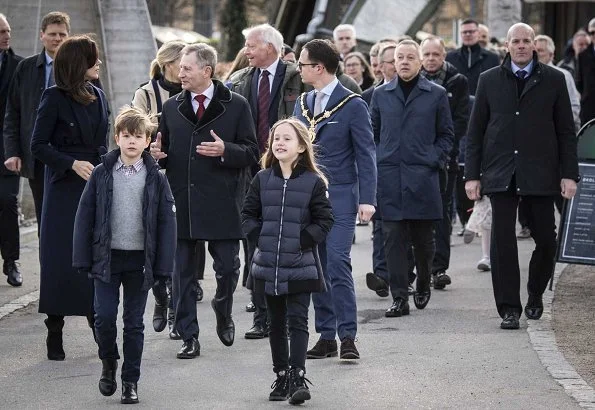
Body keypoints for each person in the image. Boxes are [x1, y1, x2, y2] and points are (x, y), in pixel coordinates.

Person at [465, 23, 579, 330]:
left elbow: (566, 131)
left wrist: (569, 175)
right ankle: (509, 309)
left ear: (535, 46)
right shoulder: (489, 80)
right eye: (515, 41)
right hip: (501, 171)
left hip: (541, 171)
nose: (521, 46)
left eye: (526, 41)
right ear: (506, 45)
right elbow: (475, 131)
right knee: (503, 242)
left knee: (546, 239)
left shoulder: (554, 80)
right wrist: (471, 175)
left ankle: (535, 294)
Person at [150, 43, 258, 358]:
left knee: (228, 268)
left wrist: (227, 151)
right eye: (180, 67)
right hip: (181, 201)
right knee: (181, 273)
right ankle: (189, 335)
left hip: (223, 201)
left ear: (206, 71)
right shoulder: (171, 107)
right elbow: (163, 150)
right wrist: (159, 156)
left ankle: (223, 309)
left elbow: (252, 152)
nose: (179, 72)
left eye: (186, 68)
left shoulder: (236, 105)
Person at [73, 107, 177, 404]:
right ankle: (109, 362)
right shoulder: (101, 173)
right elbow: (85, 214)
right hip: (106, 258)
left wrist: (163, 268)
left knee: (133, 323)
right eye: (126, 135)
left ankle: (130, 381)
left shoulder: (156, 177)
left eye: (138, 136)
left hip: (139, 262)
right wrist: (82, 257)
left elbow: (167, 223)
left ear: (148, 142)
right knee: (104, 318)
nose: (132, 141)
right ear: (117, 138)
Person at [293, 39, 376, 360]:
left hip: (341, 196)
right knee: (315, 267)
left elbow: (366, 154)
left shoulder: (353, 104)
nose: (298, 69)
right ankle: (326, 335)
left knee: (338, 263)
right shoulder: (302, 103)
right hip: (307, 199)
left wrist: (367, 199)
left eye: (302, 64)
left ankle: (348, 336)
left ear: (319, 67)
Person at [242, 118, 333, 404]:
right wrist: (260, 237)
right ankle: (281, 375)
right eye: (276, 138)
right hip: (267, 264)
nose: (279, 143)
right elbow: (247, 215)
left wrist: (302, 241)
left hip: (300, 265)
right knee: (275, 322)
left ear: (302, 146)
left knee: (298, 321)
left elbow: (325, 219)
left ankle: (297, 375)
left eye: (287, 139)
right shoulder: (262, 179)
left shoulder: (312, 182)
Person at [30, 35, 109, 359]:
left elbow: (103, 142)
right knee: (60, 258)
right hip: (63, 187)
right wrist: (71, 163)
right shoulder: (54, 97)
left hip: (93, 185)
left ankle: (98, 325)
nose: (99, 63)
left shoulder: (99, 95)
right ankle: (55, 331)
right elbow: (38, 145)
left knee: (94, 255)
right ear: (80, 63)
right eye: (93, 58)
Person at [228, 23, 303, 340]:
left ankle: (285, 314)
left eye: (251, 45)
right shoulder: (240, 80)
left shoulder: (297, 79)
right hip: (251, 175)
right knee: (255, 246)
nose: (246, 50)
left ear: (270, 47)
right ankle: (262, 317)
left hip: (289, 172)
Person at [370, 39, 454, 317]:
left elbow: (446, 135)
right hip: (390, 177)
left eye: (409, 57)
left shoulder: (436, 94)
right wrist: (383, 158)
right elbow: (374, 134)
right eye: (399, 58)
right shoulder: (381, 95)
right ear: (393, 63)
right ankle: (399, 297)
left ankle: (424, 281)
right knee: (392, 238)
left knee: (423, 239)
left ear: (419, 62)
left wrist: (433, 158)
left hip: (423, 177)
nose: (404, 62)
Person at [131, 40, 197, 338]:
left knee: (178, 245)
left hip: (183, 178)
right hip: (152, 177)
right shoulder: (146, 93)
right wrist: (161, 129)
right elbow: (135, 129)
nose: (185, 70)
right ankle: (160, 294)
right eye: (182, 64)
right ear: (169, 64)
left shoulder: (193, 94)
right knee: (154, 242)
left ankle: (174, 310)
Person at [4, 11, 70, 235]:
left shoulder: (79, 69)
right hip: (37, 156)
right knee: (44, 216)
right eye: (52, 34)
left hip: (70, 156)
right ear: (42, 35)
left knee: (68, 217)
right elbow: (12, 113)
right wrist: (13, 151)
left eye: (62, 34)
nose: (57, 39)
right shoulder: (26, 68)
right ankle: (47, 267)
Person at [420, 36, 470, 290]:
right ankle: (418, 267)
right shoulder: (412, 81)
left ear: (444, 56)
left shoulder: (457, 82)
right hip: (415, 159)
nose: (430, 59)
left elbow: (460, 121)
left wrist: (439, 150)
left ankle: (439, 268)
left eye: (435, 54)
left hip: (444, 158)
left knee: (442, 213)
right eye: (426, 54)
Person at [0, 14, 23, 287]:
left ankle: (11, 261)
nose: (6, 36)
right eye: (1, 32)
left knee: (7, 202)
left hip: (8, 150)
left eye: (8, 30)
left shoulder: (19, 67)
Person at [534, 35, 580, 132]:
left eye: (540, 50)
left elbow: (574, 107)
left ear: (551, 55)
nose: (536, 54)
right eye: (534, 51)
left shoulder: (564, 75)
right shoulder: (526, 75)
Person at [446, 19, 500, 95]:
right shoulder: (450, 57)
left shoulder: (492, 58)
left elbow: (496, 85)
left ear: (478, 33)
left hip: (483, 104)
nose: (468, 34)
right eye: (464, 32)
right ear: (461, 34)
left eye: (471, 31)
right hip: (458, 105)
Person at [577, 18, 595, 125]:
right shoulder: (583, 55)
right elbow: (579, 81)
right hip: (589, 108)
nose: (594, 35)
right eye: (592, 32)